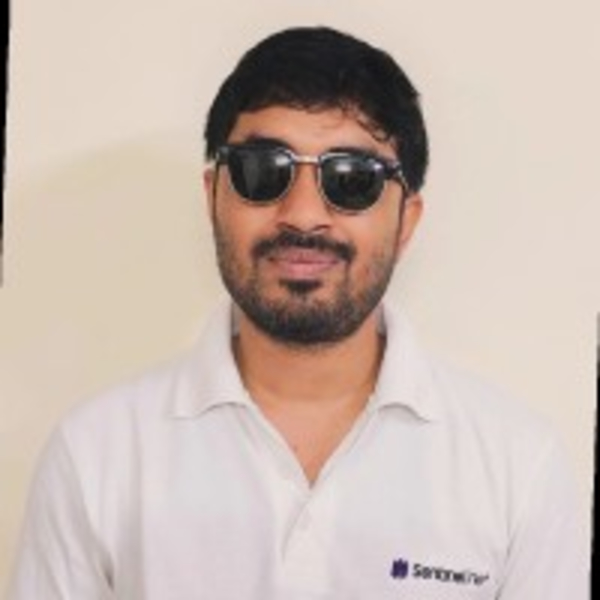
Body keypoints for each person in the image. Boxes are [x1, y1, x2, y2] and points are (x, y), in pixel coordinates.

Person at [7, 27, 589, 599]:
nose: (304, 215)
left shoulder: (516, 467)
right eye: (264, 170)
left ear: (406, 221)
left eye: (353, 179)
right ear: (213, 197)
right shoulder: (96, 456)